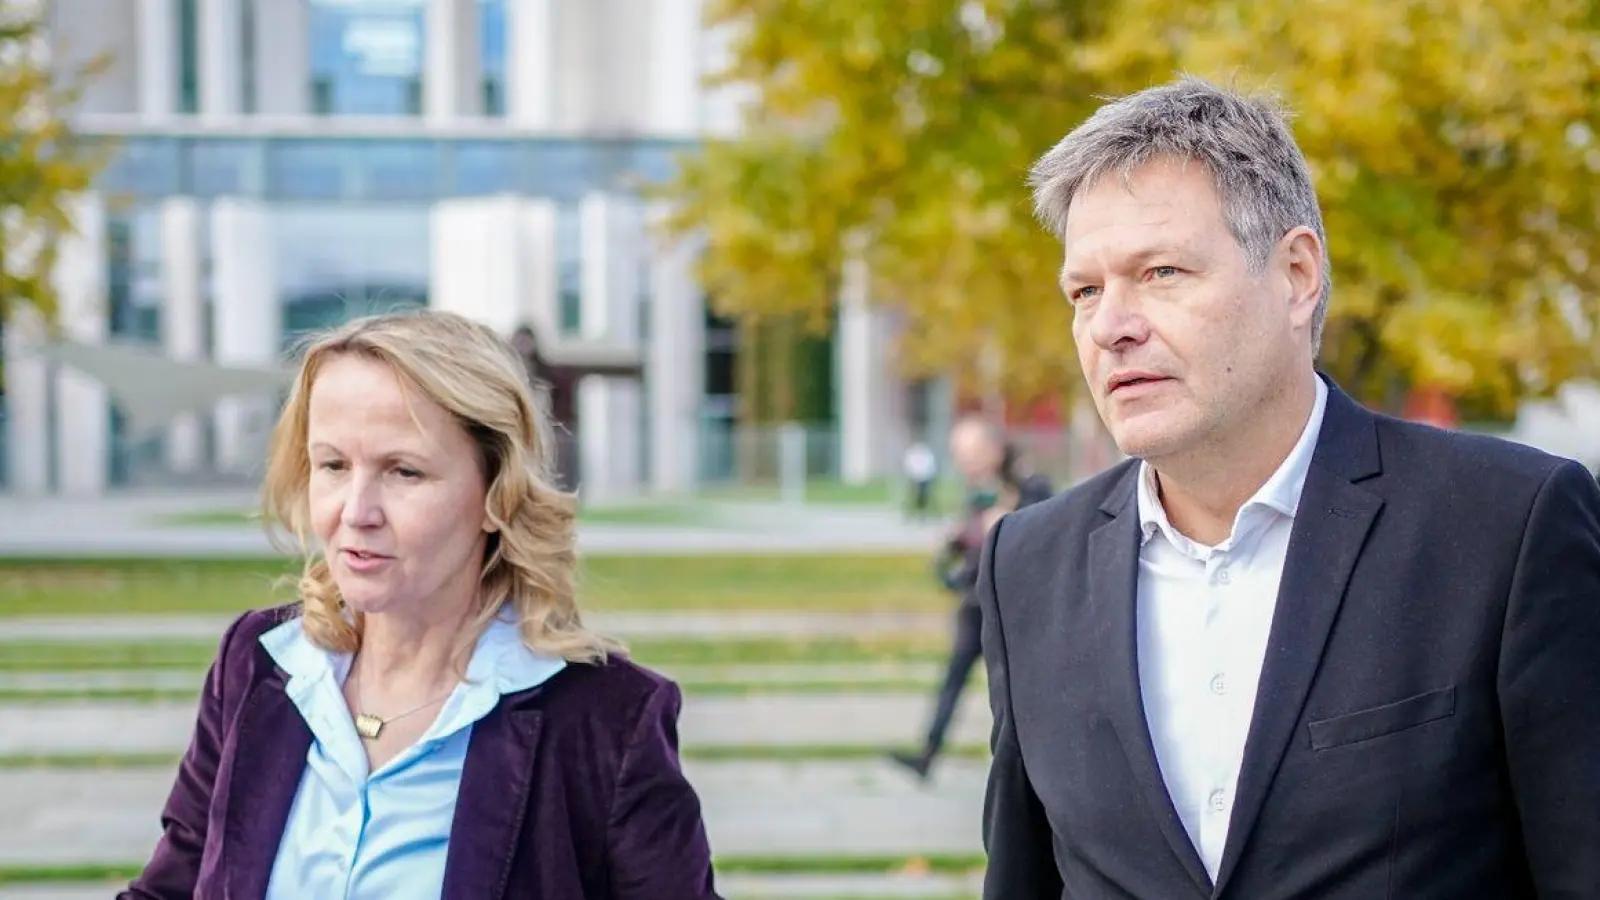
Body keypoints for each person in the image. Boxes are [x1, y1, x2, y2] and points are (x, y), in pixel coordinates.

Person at [978, 76, 1600, 899]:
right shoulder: (1025, 566)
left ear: (1297, 275)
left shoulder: (1508, 527)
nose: (1109, 325)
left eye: (1160, 272)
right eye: (1084, 290)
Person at [121, 310, 721, 900]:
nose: (356, 511)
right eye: (333, 465)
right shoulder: (256, 666)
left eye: (403, 471)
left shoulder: (606, 720)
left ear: (496, 495)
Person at [888, 417, 1050, 781]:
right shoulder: (980, 491)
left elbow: (1044, 540)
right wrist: (954, 546)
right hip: (975, 606)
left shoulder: (1029, 486)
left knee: (1015, 692)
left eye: (972, 453)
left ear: (995, 449)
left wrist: (1008, 523)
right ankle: (928, 754)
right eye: (960, 455)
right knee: (954, 679)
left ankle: (1026, 770)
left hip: (1012, 612)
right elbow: (974, 544)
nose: (966, 463)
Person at [902, 439, 939, 521]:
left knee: (924, 496)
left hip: (925, 477)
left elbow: (930, 464)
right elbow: (909, 465)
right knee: (914, 496)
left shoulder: (926, 453)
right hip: (915, 477)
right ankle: (913, 513)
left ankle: (922, 513)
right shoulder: (912, 454)